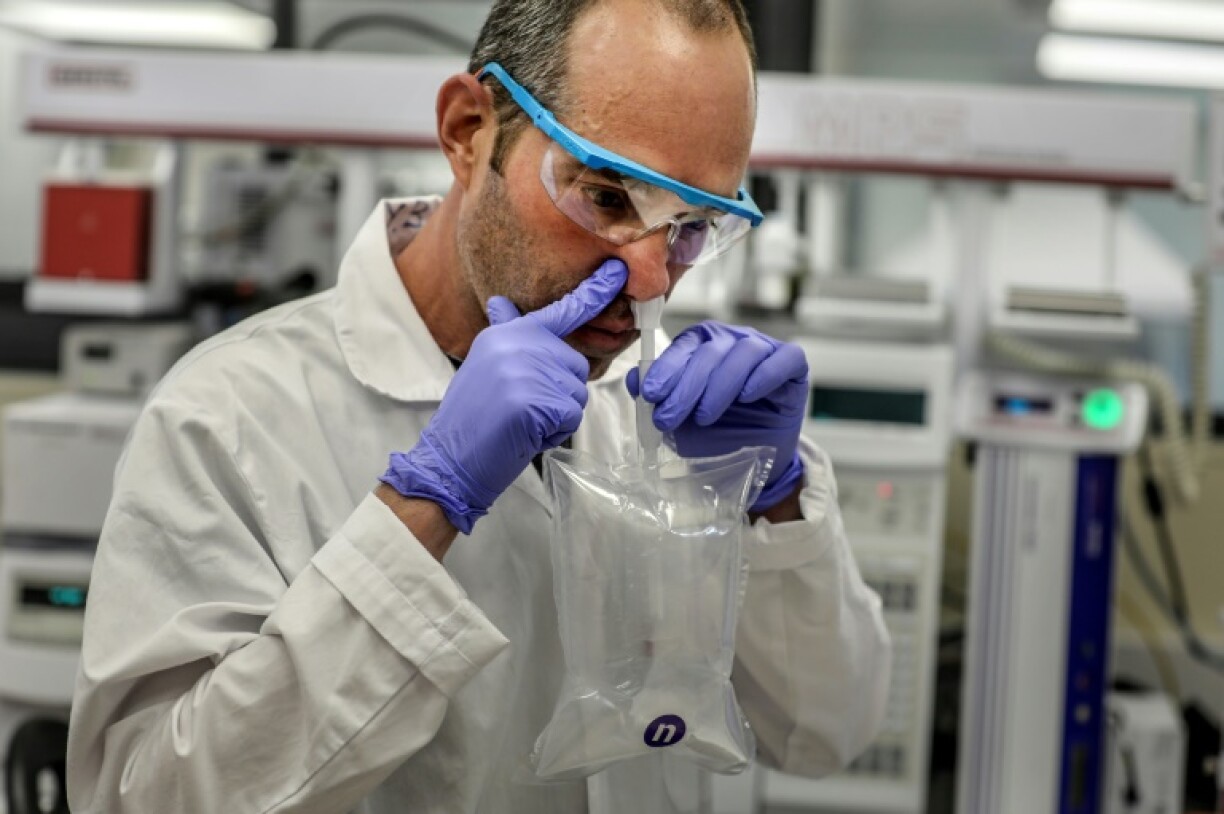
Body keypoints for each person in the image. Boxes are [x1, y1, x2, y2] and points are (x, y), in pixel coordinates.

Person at [65, 0, 891, 811]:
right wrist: (423, 506)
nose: (651, 283)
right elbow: (142, 797)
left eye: (690, 224)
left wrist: (774, 498)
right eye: (607, 198)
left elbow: (828, 731)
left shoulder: (679, 407)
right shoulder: (232, 416)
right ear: (469, 131)